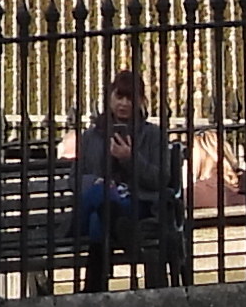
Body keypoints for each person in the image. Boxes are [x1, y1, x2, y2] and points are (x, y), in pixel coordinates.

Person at [74, 67, 187, 289]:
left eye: (130, 98)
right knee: (100, 197)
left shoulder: (153, 135)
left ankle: (92, 293)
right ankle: (126, 236)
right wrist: (95, 182)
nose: (124, 104)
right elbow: (75, 178)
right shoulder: (91, 136)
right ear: (110, 97)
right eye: (119, 97)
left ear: (140, 101)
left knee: (99, 219)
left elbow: (161, 178)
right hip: (105, 200)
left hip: (138, 204)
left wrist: (130, 159)